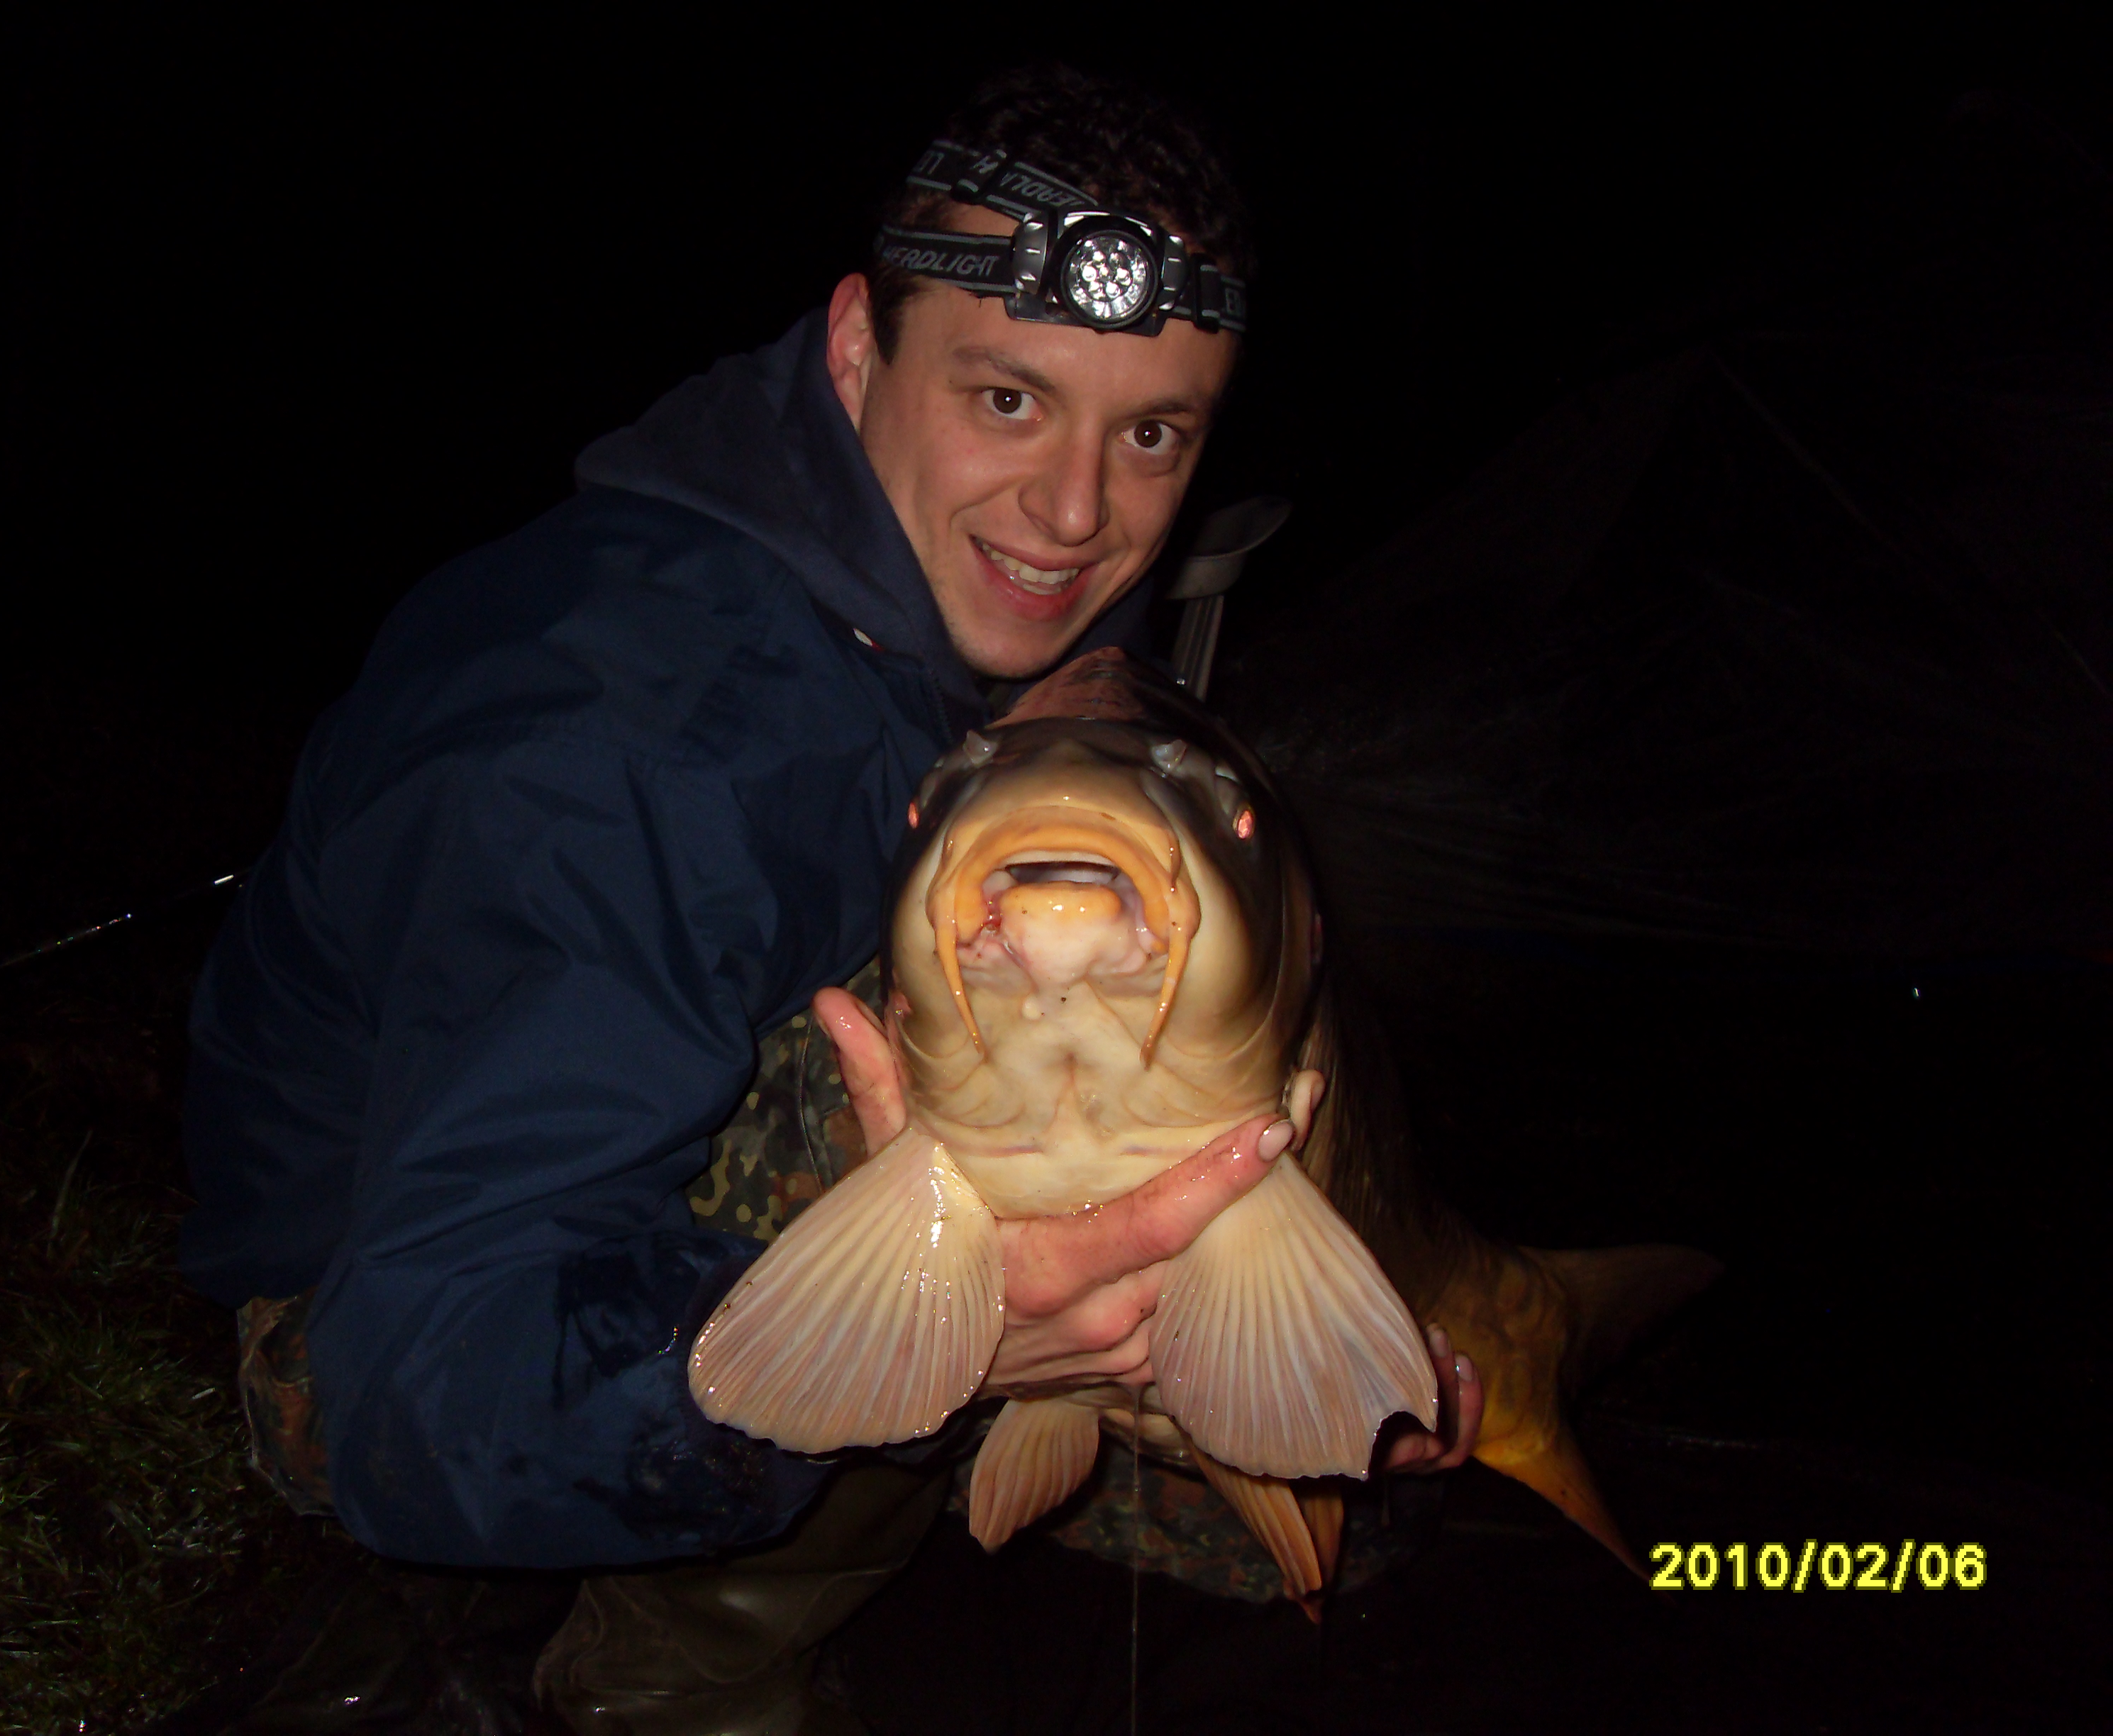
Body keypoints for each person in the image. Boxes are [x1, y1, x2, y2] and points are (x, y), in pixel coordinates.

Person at [180, 64, 1481, 1735]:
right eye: (1007, 400)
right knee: (946, 1118)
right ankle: (674, 1680)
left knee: (1360, 1486)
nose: (1075, 513)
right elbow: (423, 1384)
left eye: (1151, 434)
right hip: (404, 1326)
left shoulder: (998, 589)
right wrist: (966, 1330)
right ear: (859, 346)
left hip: (628, 1235)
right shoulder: (619, 740)